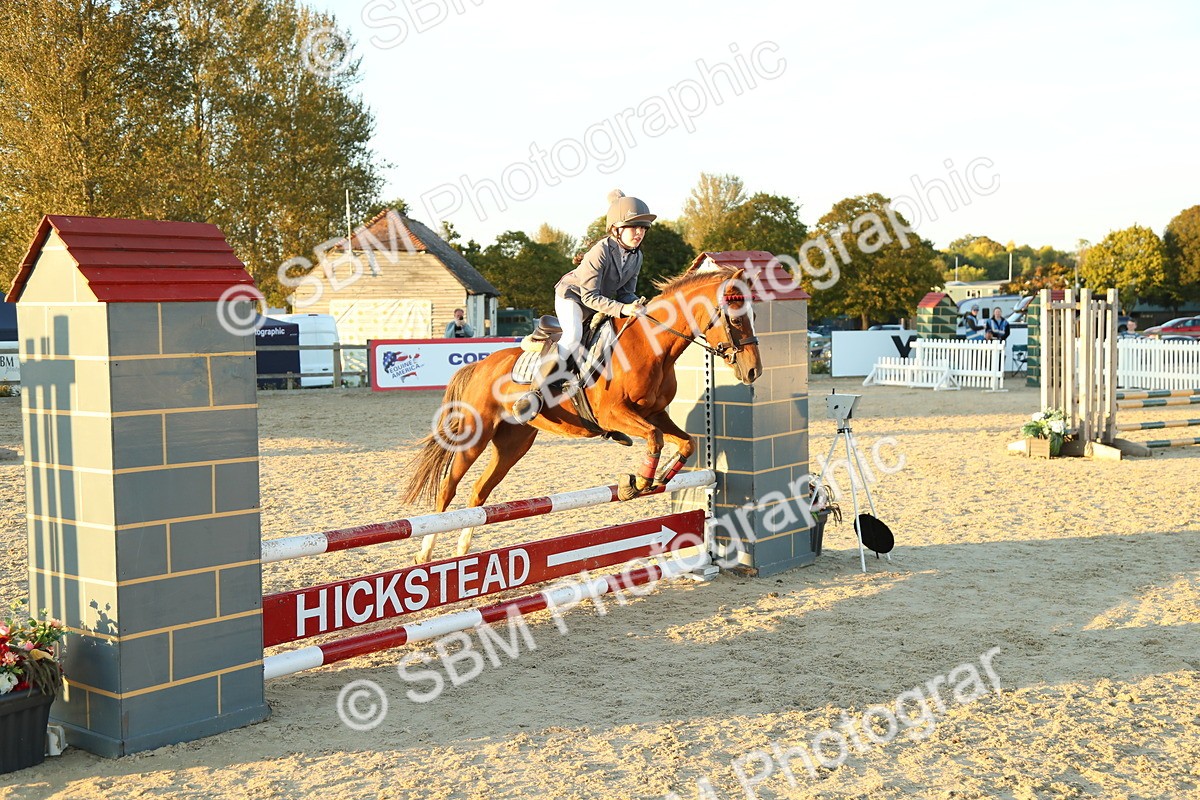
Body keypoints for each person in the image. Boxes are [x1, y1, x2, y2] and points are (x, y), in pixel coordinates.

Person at [511, 189, 655, 430]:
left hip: (597, 302)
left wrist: (639, 305)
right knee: (573, 336)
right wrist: (623, 308)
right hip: (573, 297)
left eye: (643, 228)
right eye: (634, 227)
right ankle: (535, 394)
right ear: (616, 229)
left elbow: (625, 294)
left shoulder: (636, 256)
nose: (639, 233)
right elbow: (589, 296)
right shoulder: (600, 251)